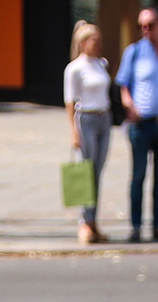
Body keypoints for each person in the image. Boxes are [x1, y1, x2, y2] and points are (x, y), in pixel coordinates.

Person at [116, 6, 158, 242]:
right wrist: (129, 106)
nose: (145, 30)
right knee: (138, 175)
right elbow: (123, 84)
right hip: (141, 124)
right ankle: (136, 226)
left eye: (149, 25)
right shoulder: (134, 52)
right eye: (141, 26)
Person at [64, 21, 112, 245]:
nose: (99, 44)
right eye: (95, 41)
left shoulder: (102, 63)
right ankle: (84, 222)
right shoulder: (75, 68)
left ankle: (93, 221)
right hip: (86, 118)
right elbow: (70, 102)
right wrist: (74, 131)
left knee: (98, 171)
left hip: (104, 117)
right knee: (86, 172)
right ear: (83, 43)